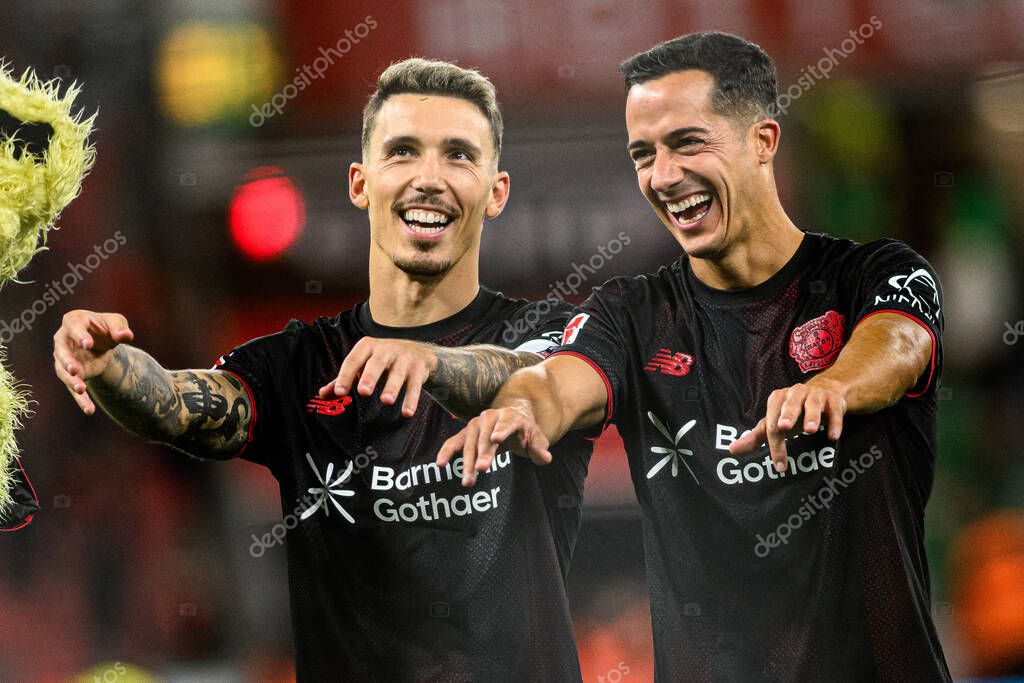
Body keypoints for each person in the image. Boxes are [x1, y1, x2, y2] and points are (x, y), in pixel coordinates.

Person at [52, 58, 591, 682]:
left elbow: (538, 380)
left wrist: (431, 361)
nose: (429, 178)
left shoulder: (555, 337)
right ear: (360, 183)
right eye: (404, 152)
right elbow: (175, 405)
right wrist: (110, 365)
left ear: (496, 192)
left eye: (459, 156)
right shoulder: (295, 367)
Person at [440, 32, 952, 681]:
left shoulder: (874, 274)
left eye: (687, 143)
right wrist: (523, 406)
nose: (662, 176)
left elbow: (900, 344)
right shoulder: (633, 315)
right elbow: (560, 381)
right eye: (642, 153)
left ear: (763, 142)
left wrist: (837, 386)